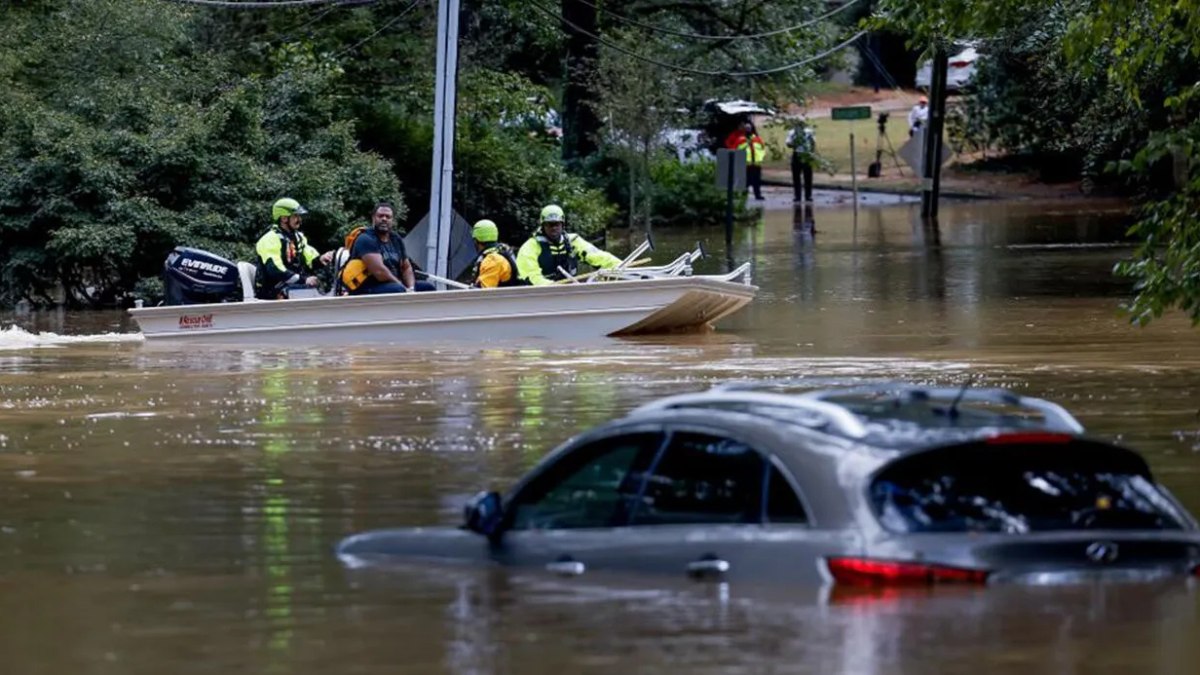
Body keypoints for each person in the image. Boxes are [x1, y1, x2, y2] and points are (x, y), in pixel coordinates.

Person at [516, 204, 621, 286]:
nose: (554, 228)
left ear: (562, 224)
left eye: (557, 224)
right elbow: (530, 275)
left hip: (569, 289)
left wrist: (620, 266)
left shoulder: (573, 241)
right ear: (543, 225)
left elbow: (599, 257)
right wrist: (551, 286)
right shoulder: (530, 247)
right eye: (550, 224)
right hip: (543, 293)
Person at [343, 202, 435, 295]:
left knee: (427, 287)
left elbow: (406, 267)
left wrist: (411, 288)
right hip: (368, 287)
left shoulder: (395, 239)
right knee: (398, 289)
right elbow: (379, 272)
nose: (384, 219)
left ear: (393, 220)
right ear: (373, 218)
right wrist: (404, 288)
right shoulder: (365, 239)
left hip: (393, 285)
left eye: (388, 217)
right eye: (380, 216)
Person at [254, 197, 333, 300]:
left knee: (319, 287)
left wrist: (321, 259)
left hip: (289, 286)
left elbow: (309, 260)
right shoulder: (270, 239)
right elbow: (275, 269)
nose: (299, 220)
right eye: (295, 216)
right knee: (309, 289)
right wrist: (303, 280)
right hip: (272, 290)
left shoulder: (297, 237)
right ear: (284, 218)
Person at [468, 219, 522, 288]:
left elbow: (482, 293)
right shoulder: (502, 249)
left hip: (502, 298)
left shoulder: (492, 260)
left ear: (476, 240)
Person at [786, 119, 817, 203]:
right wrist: (795, 143)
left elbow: (813, 143)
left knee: (808, 176)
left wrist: (812, 153)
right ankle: (797, 196)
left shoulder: (809, 132)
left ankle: (808, 195)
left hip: (807, 154)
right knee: (796, 177)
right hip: (797, 154)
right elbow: (788, 143)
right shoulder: (792, 132)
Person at [737, 121, 766, 201]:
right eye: (746, 128)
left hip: (756, 163)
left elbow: (763, 149)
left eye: (749, 128)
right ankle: (743, 196)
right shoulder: (741, 139)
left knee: (757, 181)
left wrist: (761, 158)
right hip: (746, 164)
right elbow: (739, 150)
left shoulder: (757, 139)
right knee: (745, 181)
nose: (748, 130)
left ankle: (758, 195)